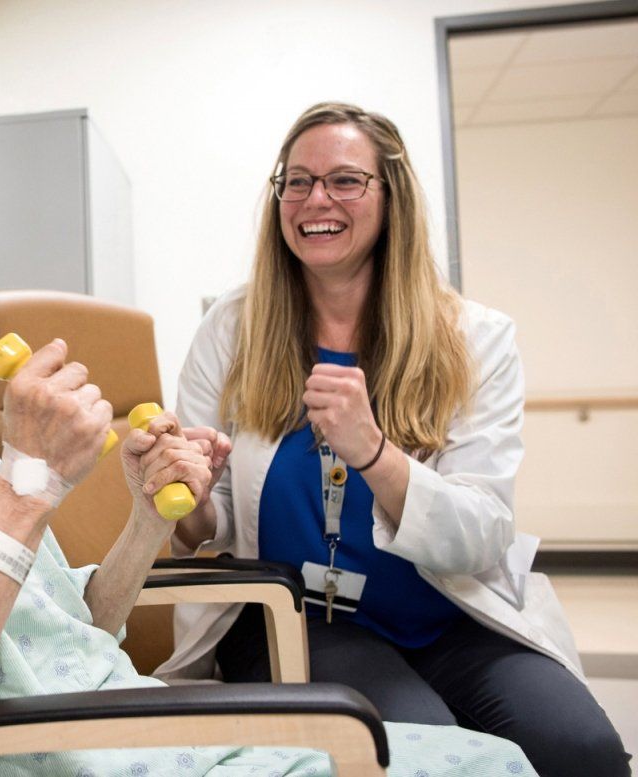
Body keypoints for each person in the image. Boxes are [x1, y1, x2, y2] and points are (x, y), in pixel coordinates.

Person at [0, 82, 533, 776]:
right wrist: (27, 481)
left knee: (503, 755)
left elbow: (63, 630)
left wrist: (149, 520)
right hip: (93, 748)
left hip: (124, 723)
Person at [160, 101, 630, 777]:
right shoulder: (232, 331)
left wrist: (375, 455)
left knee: (582, 750)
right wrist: (190, 498)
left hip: (453, 613)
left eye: (345, 180)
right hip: (301, 621)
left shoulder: (475, 338)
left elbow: (483, 532)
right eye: (296, 181)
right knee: (425, 751)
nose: (316, 199)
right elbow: (216, 522)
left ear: (391, 197)